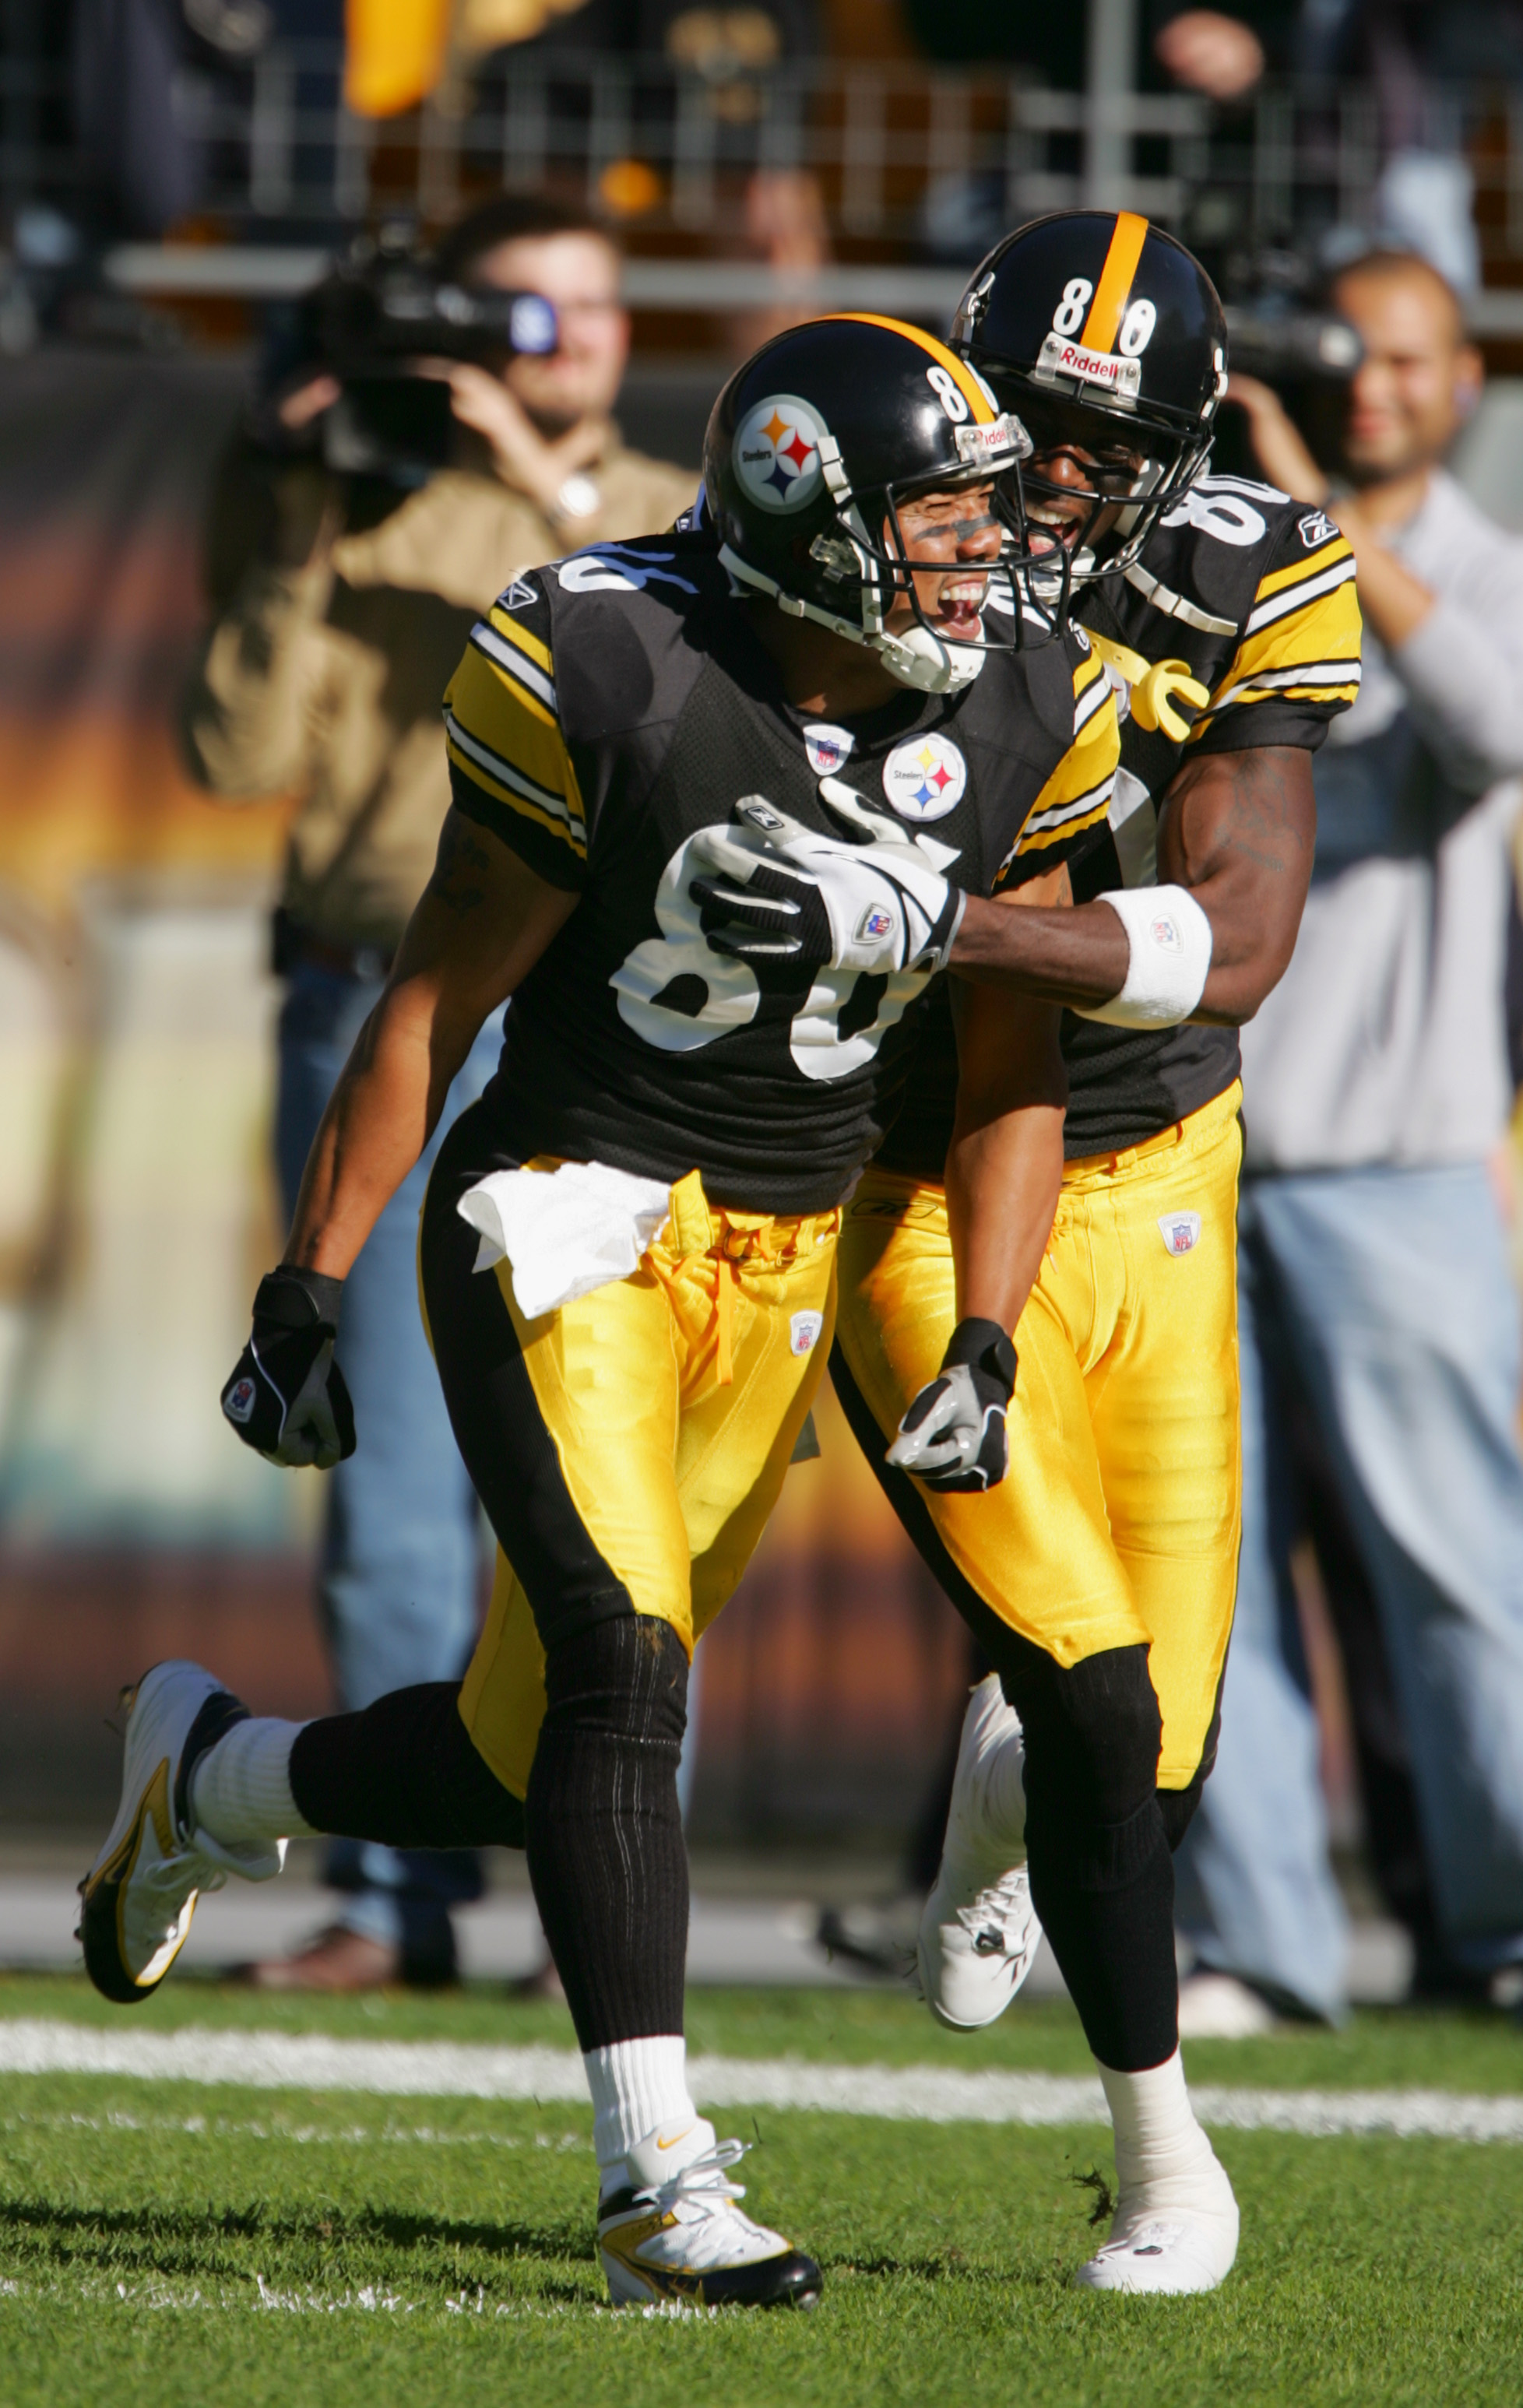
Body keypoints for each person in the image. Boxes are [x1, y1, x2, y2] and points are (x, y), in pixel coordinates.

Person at [83, 311, 1123, 2308]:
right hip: (569, 1215)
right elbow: (433, 997)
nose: (981, 555)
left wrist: (984, 1330)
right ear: (811, 512)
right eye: (939, 518)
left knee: (524, 1751)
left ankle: (206, 1772)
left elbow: (1015, 1063)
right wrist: (306, 1281)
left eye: (986, 515)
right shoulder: (610, 663)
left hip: (787, 1254)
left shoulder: (1025, 699)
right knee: (626, 1675)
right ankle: (657, 2178)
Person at [716, 210, 1360, 2290]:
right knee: (1086, 1692)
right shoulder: (877, 500)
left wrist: (956, 920)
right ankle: (1168, 2164)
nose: (1064, 475)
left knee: (1147, 1748)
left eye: (1111, 438)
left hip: (1158, 1166)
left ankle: (1005, 1797)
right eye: (1039, 430)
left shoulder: (1254, 563)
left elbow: (1230, 951)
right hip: (915, 1179)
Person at [179, 191, 695, 1992]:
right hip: (378, 1004)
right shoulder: (359, 490)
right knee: (388, 1475)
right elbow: (233, 751)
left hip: (594, 1024)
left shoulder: (665, 511)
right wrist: (304, 507)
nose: (564, 348)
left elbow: (689, 712)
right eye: (522, 315)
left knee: (613, 1461)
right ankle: (392, 1907)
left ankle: (603, 1896)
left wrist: (537, 491)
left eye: (592, 312)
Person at [1172, 247, 1523, 2021]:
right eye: (1343, 357)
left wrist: (1322, 525)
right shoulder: (1217, 563)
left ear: (1464, 383)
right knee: (1205, 1573)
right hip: (1194, 1145)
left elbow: (1503, 722)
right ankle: (1263, 1942)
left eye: (1407, 361)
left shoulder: (1485, 573)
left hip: (1398, 1163)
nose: (1371, 387)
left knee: (1463, 1568)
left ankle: (1505, 1925)